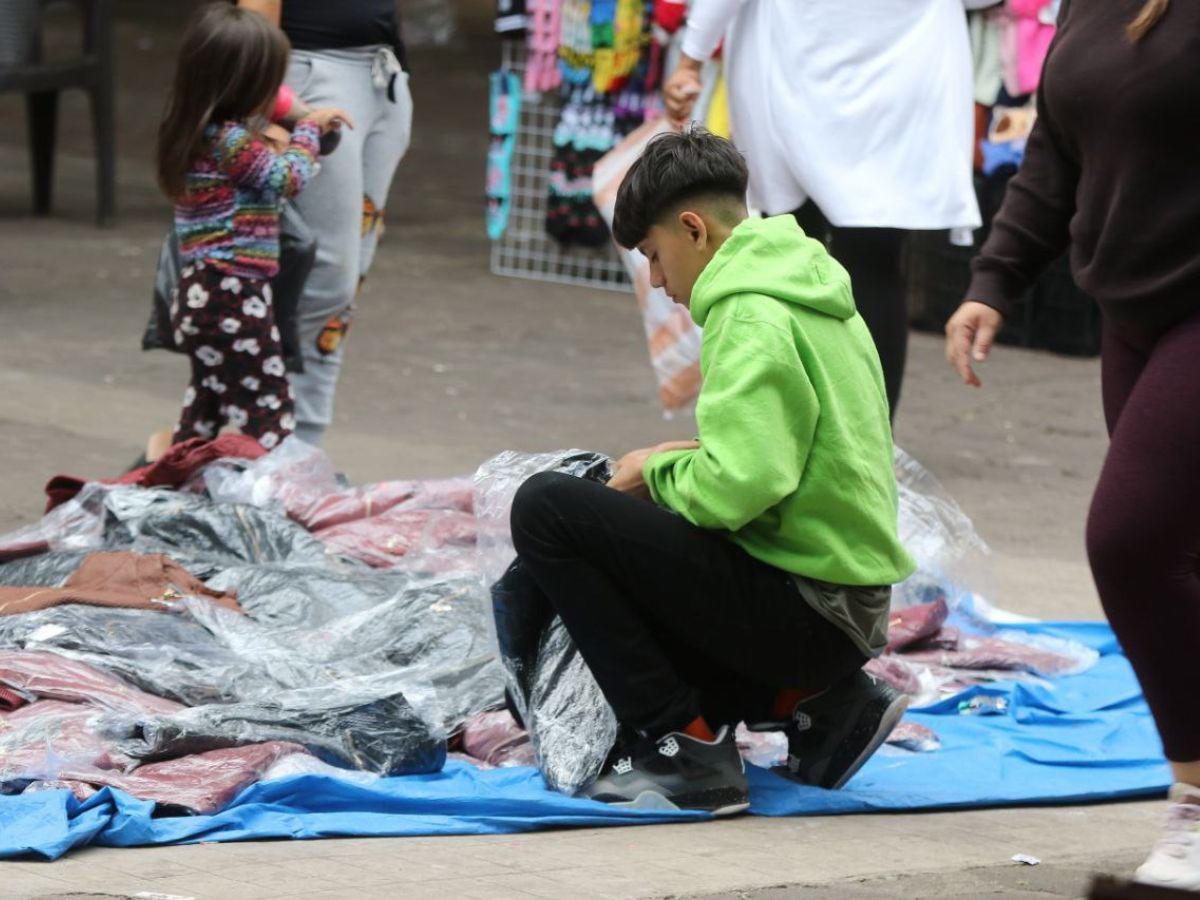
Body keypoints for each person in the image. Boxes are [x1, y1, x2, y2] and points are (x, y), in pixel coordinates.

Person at [509, 129, 914, 813]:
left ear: (692, 229)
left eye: (655, 257)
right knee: (618, 540)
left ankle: (684, 750)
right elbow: (779, 459)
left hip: (810, 614)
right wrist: (672, 464)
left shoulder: (748, 312)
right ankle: (823, 704)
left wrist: (653, 472)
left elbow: (738, 488)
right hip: (844, 610)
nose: (660, 283)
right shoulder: (806, 284)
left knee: (547, 509)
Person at [943, 0, 1200, 888]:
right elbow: (1056, 149)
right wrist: (996, 277)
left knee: (1128, 542)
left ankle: (1198, 808)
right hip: (1132, 311)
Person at [662, 0, 981, 419]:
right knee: (872, 265)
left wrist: (692, 58)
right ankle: (869, 440)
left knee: (789, 258)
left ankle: (791, 425)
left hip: (794, 68)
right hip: (897, 69)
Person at [155, 4, 351, 450]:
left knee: (206, 406)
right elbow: (286, 178)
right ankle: (267, 499)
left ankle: (177, 480)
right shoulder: (229, 141)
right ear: (243, 86)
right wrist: (307, 129)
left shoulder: (196, 131)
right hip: (232, 297)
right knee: (268, 408)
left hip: (205, 295)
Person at [239, 0, 414, 446]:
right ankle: (272, 446)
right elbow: (256, 16)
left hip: (381, 76)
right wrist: (264, 110)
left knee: (343, 287)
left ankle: (299, 451)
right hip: (312, 75)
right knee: (323, 280)